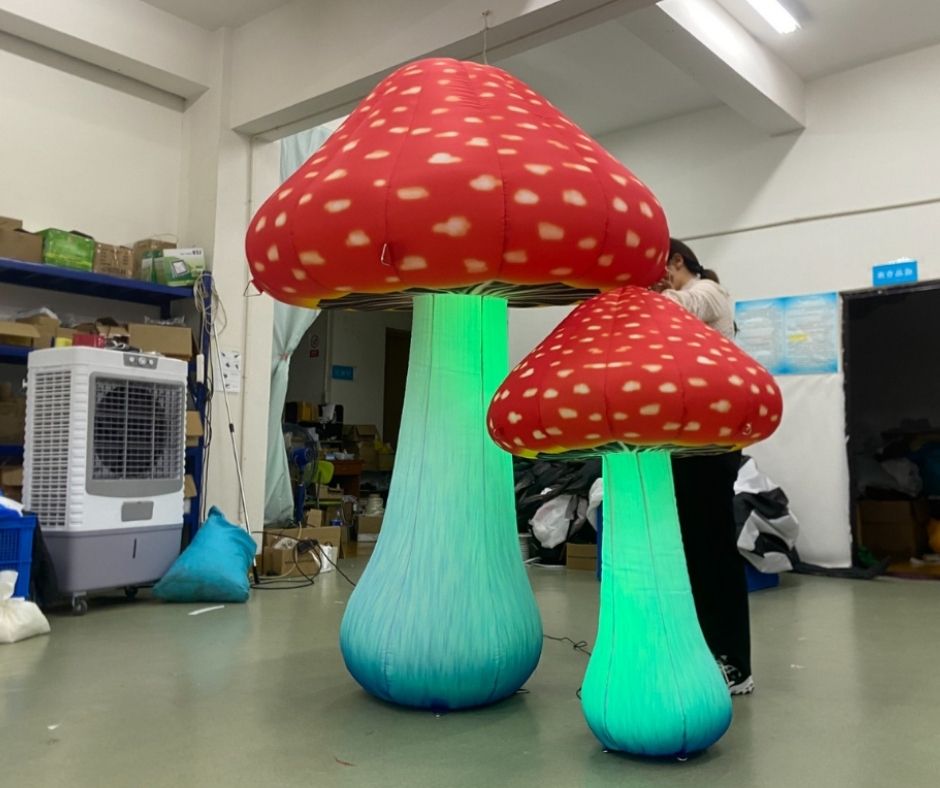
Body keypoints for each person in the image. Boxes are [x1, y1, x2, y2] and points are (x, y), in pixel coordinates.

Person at [661, 238, 754, 696]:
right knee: (690, 553)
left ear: (677, 262)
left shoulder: (709, 293)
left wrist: (623, 293)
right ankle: (700, 650)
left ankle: (735, 663)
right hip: (683, 446)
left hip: (711, 446)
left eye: (659, 270)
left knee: (713, 550)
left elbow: (675, 307)